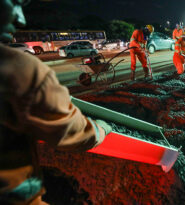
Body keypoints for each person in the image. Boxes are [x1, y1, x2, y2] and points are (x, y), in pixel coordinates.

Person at [0, 0, 112, 204]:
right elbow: (71, 130)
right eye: (14, 3)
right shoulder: (18, 68)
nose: (21, 19)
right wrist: (101, 129)